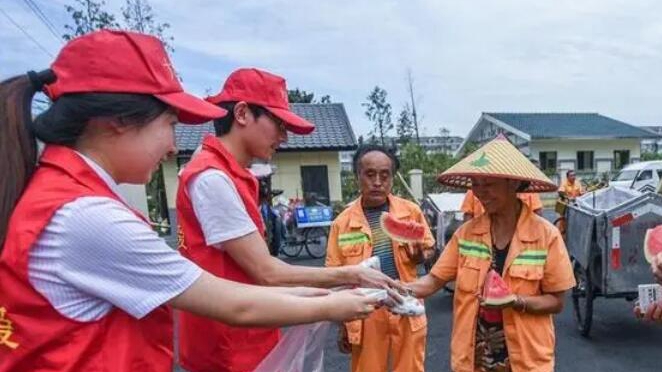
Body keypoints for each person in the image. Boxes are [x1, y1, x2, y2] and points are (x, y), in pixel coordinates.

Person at [0, 30, 378, 372]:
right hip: (228, 346)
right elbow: (240, 300)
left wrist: (335, 289)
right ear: (116, 119)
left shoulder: (62, 194)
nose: (171, 145)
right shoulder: (87, 216)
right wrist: (338, 300)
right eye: (170, 124)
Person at [176, 68, 402, 372]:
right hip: (228, 346)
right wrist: (352, 277)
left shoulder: (229, 173)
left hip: (247, 329)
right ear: (242, 113)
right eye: (279, 125)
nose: (283, 137)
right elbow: (267, 272)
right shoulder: (212, 179)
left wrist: (341, 286)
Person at [407, 134, 576, 372]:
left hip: (526, 360)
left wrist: (517, 302)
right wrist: (392, 288)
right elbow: (433, 281)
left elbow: (556, 302)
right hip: (474, 359)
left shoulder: (546, 236)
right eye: (475, 184)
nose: (480, 193)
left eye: (488, 184)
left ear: (513, 183)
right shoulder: (466, 234)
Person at [325, 145, 434, 372]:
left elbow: (429, 251)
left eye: (384, 175)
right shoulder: (341, 223)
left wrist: (420, 255)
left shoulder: (411, 212)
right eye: (370, 174)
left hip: (406, 304)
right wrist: (343, 324)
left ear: (392, 178)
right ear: (358, 177)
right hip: (365, 311)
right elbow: (333, 277)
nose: (377, 182)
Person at [461, 189, 543, 222]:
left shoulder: (530, 191)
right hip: (480, 237)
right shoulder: (472, 191)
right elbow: (468, 214)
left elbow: (537, 213)